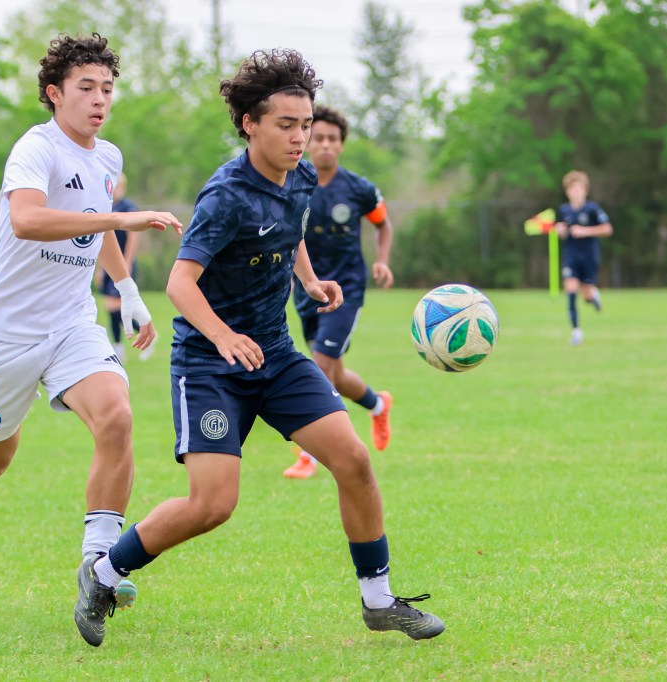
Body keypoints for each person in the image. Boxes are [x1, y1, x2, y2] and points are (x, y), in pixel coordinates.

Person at [74, 48, 444, 647]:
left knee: (351, 459)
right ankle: (105, 572)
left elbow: (291, 229)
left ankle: (378, 600)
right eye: (286, 126)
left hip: (274, 353)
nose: (300, 139)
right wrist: (223, 335)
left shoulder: (299, 176)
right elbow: (178, 284)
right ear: (250, 123)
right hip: (209, 363)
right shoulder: (226, 196)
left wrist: (309, 278)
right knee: (213, 504)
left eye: (305, 126)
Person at [0, 34, 183, 616]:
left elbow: (95, 230)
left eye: (107, 89)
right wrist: (123, 216)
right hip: (5, 338)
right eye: (86, 89)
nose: (100, 100)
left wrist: (128, 294)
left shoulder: (108, 157)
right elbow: (25, 219)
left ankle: (99, 564)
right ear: (55, 94)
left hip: (72, 324)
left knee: (117, 417)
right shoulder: (35, 149)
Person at [283, 105, 395, 479]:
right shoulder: (294, 181)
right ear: (310, 142)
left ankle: (309, 455)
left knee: (319, 367)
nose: (326, 145)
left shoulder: (359, 189)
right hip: (305, 288)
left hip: (345, 290)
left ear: (342, 145)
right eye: (321, 138)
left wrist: (381, 260)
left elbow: (383, 225)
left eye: (334, 139)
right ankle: (378, 405)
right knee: (337, 373)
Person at [98, 172, 155, 361]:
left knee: (116, 305)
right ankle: (119, 345)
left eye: (116, 186)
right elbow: (101, 239)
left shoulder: (127, 207)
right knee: (110, 306)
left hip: (122, 264)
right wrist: (100, 269)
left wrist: (127, 262)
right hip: (109, 265)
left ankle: (145, 334)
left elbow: (133, 236)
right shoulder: (107, 208)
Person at [554, 170, 612, 346]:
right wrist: (560, 231)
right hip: (571, 256)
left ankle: (592, 295)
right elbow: (560, 229)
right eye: (573, 189)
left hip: (589, 256)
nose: (576, 192)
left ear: (585, 190)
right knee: (570, 290)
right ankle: (576, 331)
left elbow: (607, 229)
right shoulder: (563, 210)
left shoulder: (592, 209)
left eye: (579, 188)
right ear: (568, 191)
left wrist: (584, 231)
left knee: (586, 295)